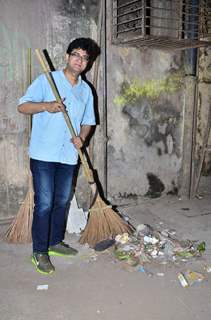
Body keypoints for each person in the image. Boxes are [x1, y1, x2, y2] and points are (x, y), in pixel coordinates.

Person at [18, 38, 100, 275]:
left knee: (62, 201)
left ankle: (54, 242)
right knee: (44, 203)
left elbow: (88, 122)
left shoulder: (86, 91)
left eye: (85, 58)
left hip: (68, 155)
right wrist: (46, 106)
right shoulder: (48, 80)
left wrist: (82, 138)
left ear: (88, 63)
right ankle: (39, 251)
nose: (80, 60)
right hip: (44, 152)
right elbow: (22, 106)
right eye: (76, 54)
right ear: (67, 56)